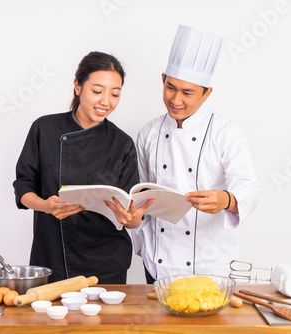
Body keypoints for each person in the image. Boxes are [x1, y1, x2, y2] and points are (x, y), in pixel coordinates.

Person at [132, 25, 261, 283]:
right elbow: (140, 197)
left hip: (210, 265)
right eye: (171, 87)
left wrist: (226, 200)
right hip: (159, 263)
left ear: (206, 93)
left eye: (187, 92)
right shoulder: (148, 134)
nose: (176, 99)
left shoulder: (225, 131)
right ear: (163, 80)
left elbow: (249, 187)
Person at [13, 51, 152, 284]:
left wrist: (132, 219)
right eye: (97, 91)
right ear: (78, 86)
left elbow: (133, 214)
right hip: (52, 258)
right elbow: (23, 185)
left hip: (106, 264)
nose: (106, 101)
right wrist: (46, 206)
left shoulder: (122, 143)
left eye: (115, 94)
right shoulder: (45, 129)